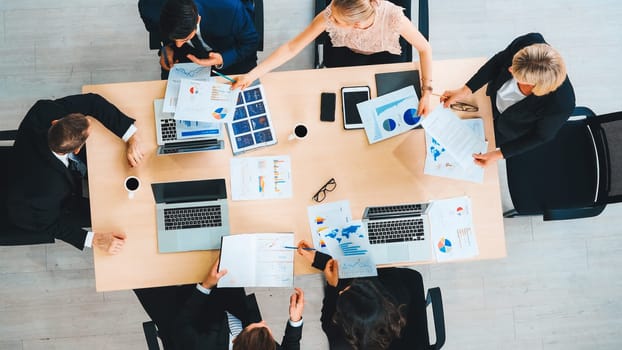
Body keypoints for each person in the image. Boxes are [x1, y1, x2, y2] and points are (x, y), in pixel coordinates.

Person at [232, 0, 433, 116]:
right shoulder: (330, 13)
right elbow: (292, 47)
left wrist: (427, 92)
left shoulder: (393, 17)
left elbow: (425, 49)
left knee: (389, 106)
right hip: (346, 53)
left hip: (384, 54)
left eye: (337, 20)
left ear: (356, 24)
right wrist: (251, 75)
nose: (330, 19)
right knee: (343, 104)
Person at [5, 93, 144, 254]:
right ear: (77, 149)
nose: (90, 121)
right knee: (124, 217)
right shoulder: (46, 192)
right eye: (87, 133)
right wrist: (94, 239)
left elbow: (92, 102)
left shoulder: (43, 111)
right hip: (53, 203)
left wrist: (132, 137)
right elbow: (45, 224)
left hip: (44, 171)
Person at [440, 32, 576, 166]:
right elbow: (497, 61)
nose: (510, 69)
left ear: (535, 85)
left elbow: (540, 136)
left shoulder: (561, 104)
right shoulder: (529, 41)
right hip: (488, 100)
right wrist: (465, 90)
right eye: (514, 64)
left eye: (518, 75)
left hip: (508, 128)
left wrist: (499, 154)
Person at [134, 259, 304, 349]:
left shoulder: (201, 346)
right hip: (225, 306)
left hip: (183, 314)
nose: (263, 321)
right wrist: (295, 320)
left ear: (239, 338)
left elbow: (181, 324)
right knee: (221, 256)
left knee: (139, 269)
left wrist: (205, 286)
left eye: (258, 325)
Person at [297, 240, 428, 350]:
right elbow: (380, 263)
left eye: (342, 293)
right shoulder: (398, 296)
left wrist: (332, 284)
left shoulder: (336, 334)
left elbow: (329, 308)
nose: (341, 291)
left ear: (341, 318)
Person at [158, 0, 259, 79]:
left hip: (229, 54)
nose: (178, 45)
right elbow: (157, 29)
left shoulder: (230, 8)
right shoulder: (158, 9)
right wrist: (166, 46)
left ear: (198, 19)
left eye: (185, 39)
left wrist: (223, 59)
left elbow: (251, 41)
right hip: (187, 55)